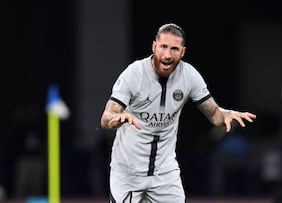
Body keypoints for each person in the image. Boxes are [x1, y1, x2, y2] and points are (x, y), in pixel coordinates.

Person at [100, 23, 257, 203]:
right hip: (127, 172)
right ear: (154, 47)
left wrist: (225, 114)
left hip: (164, 173)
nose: (167, 55)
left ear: (182, 52)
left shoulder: (189, 76)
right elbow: (106, 117)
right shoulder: (134, 74)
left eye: (174, 49)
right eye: (163, 47)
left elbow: (214, 114)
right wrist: (116, 118)